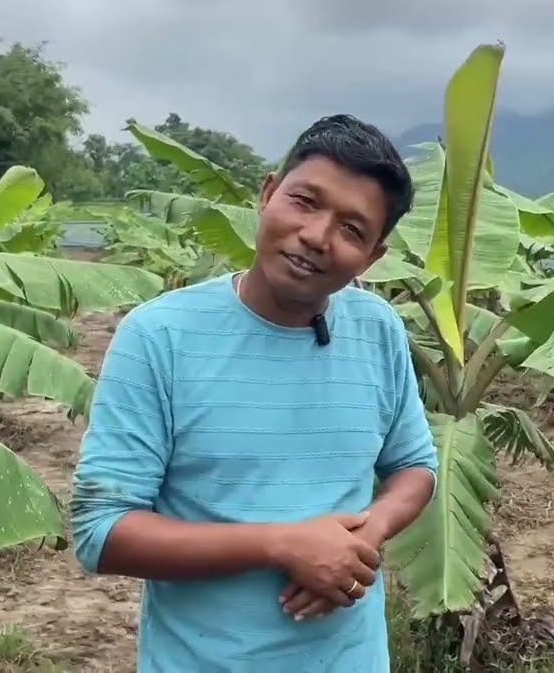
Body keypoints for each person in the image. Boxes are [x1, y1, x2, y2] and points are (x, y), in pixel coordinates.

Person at [69, 114, 440, 671]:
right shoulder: (159, 337)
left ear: (372, 257)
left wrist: (364, 535)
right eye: (305, 201)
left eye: (352, 229)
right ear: (267, 194)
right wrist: (284, 545)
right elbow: (103, 532)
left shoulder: (378, 328)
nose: (317, 236)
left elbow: (414, 466)